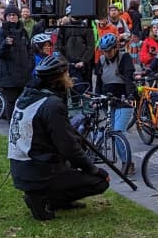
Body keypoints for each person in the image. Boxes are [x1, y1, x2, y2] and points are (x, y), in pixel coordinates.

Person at [7, 54, 110, 221]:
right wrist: (94, 169)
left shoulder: (28, 96)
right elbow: (68, 147)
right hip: (38, 170)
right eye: (67, 74)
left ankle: (52, 198)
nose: (69, 78)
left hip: (21, 167)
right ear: (59, 78)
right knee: (100, 182)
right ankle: (43, 199)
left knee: (70, 165)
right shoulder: (52, 105)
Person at [0, 5, 32, 120]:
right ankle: (12, 127)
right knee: (11, 103)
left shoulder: (23, 32)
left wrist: (30, 64)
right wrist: (5, 44)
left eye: (14, 15)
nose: (12, 17)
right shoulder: (0, 32)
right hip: (8, 76)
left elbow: (29, 50)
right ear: (5, 17)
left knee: (23, 103)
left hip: (23, 74)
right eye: (9, 15)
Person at [95, 33, 135, 134]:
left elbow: (128, 79)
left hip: (123, 100)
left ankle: (124, 150)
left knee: (118, 131)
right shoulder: (101, 60)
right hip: (107, 100)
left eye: (109, 50)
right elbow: (99, 82)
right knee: (111, 131)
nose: (107, 53)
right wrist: (96, 98)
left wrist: (130, 95)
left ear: (115, 47)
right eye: (104, 51)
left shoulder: (125, 58)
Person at [58, 15, 95, 84]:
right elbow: (59, 45)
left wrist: (83, 61)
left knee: (84, 88)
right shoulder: (64, 27)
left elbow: (91, 46)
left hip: (84, 66)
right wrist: (65, 61)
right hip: (68, 65)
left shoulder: (86, 26)